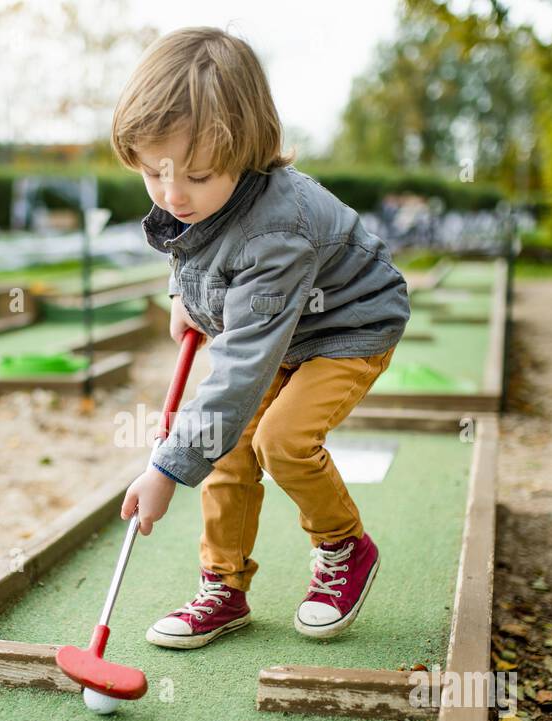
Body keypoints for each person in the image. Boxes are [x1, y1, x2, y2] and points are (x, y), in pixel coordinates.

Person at [111, 27, 411, 647]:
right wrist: (182, 295)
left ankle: (345, 547)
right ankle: (223, 588)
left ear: (246, 150)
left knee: (281, 439)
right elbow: (191, 245)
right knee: (229, 446)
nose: (171, 195)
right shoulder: (191, 191)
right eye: (153, 174)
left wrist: (168, 469)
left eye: (194, 175)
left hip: (348, 324)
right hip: (280, 325)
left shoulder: (279, 231)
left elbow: (243, 364)